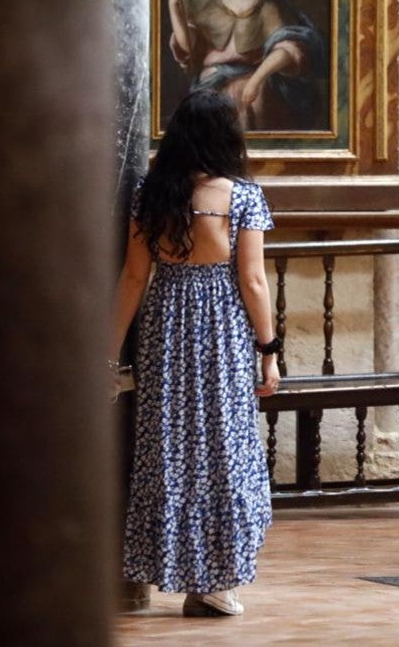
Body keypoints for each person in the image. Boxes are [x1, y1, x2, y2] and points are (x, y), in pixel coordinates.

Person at [110, 90, 281, 616]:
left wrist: (108, 352)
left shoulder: (151, 193)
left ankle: (179, 569)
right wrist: (269, 350)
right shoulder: (243, 195)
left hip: (164, 328)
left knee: (170, 450)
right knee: (224, 450)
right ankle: (214, 582)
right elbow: (252, 280)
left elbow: (134, 277)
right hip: (222, 331)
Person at [167, 0, 321, 130]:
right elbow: (187, 48)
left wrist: (257, 79)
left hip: (254, 85)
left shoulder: (266, 8)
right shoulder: (211, 5)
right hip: (212, 83)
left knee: (259, 104)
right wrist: (173, 6)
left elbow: (288, 50)